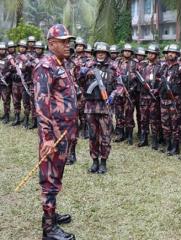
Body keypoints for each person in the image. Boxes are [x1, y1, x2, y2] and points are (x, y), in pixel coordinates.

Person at [34, 23, 77, 240]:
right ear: (52, 44)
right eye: (63, 41)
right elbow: (41, 105)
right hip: (54, 135)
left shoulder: (61, 64)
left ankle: (50, 215)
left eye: (68, 41)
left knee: (57, 177)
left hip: (65, 133)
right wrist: (47, 138)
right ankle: (49, 230)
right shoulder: (45, 66)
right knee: (50, 181)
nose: (68, 44)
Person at [82, 42, 123, 174]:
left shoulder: (113, 67)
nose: (100, 54)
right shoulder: (88, 65)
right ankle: (94, 161)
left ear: (107, 54)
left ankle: (103, 162)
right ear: (94, 53)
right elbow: (78, 82)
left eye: (103, 52)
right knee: (93, 136)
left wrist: (113, 94)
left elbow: (120, 86)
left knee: (105, 136)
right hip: (90, 106)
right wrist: (83, 74)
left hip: (105, 106)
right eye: (98, 52)